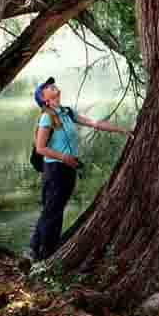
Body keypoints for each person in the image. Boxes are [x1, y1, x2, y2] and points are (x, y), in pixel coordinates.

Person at [28, 76, 133, 262]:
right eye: (46, 87)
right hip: (54, 170)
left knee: (55, 210)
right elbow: (40, 148)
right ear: (44, 98)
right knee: (52, 211)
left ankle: (39, 249)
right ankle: (41, 253)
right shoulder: (46, 117)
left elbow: (94, 123)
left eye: (51, 84)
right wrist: (64, 158)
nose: (51, 86)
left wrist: (121, 130)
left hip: (68, 168)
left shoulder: (67, 112)